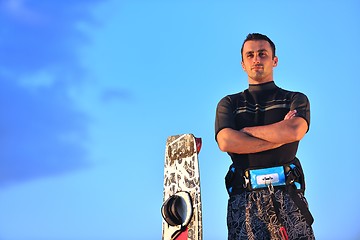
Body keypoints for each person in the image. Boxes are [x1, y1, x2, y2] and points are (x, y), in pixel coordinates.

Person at [215, 33, 315, 240]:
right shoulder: (229, 104)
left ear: (274, 60)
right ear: (243, 64)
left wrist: (247, 132)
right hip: (244, 202)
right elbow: (226, 141)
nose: (256, 59)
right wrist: (280, 134)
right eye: (250, 55)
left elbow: (295, 131)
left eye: (262, 54)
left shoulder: (294, 99)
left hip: (288, 196)